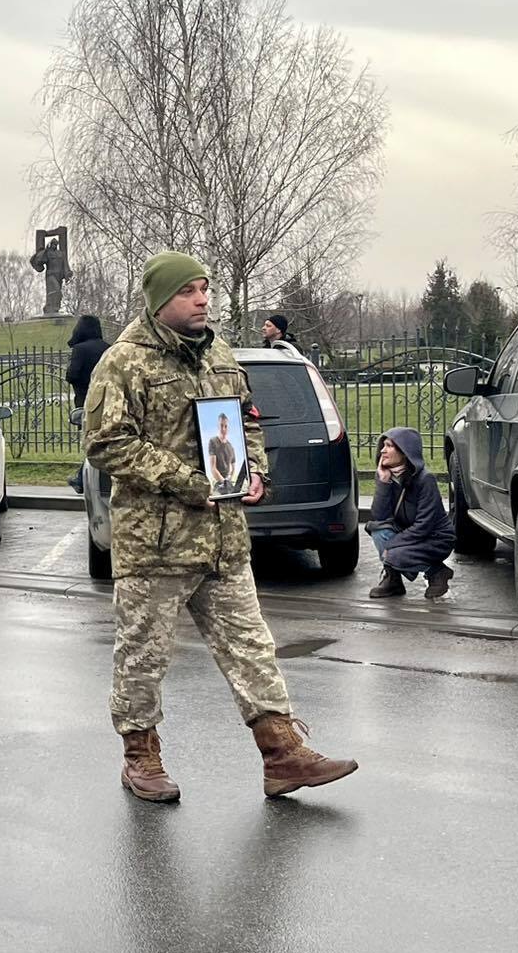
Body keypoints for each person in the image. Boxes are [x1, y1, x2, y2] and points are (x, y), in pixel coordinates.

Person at [83, 251, 357, 803]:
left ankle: (283, 755)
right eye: (189, 291)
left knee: (252, 647)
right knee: (143, 657)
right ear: (161, 302)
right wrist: (191, 482)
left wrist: (252, 471)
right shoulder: (124, 363)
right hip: (155, 544)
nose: (203, 299)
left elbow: (246, 419)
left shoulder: (222, 357)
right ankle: (141, 757)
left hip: (222, 542)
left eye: (205, 288)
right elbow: (105, 442)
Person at [366, 427, 455, 600]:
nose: (383, 450)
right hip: (408, 532)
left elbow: (424, 526)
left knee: (394, 555)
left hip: (436, 538)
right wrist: (383, 483)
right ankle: (394, 581)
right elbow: (379, 516)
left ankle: (437, 572)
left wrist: (392, 547)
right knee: (378, 530)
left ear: (405, 452)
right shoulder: (386, 475)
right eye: (383, 445)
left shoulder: (425, 480)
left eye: (389, 446)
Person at [65, 314, 110, 491]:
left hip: (86, 402)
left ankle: (81, 479)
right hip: (108, 400)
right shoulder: (108, 348)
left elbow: (72, 375)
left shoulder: (80, 349)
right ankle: (83, 478)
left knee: (90, 442)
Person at [207, 413, 239, 495]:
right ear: (218, 426)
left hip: (228, 483)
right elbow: (213, 468)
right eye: (221, 425)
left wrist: (229, 480)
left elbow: (233, 468)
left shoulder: (231, 447)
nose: (223, 429)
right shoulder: (213, 441)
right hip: (218, 482)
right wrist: (223, 482)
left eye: (226, 426)